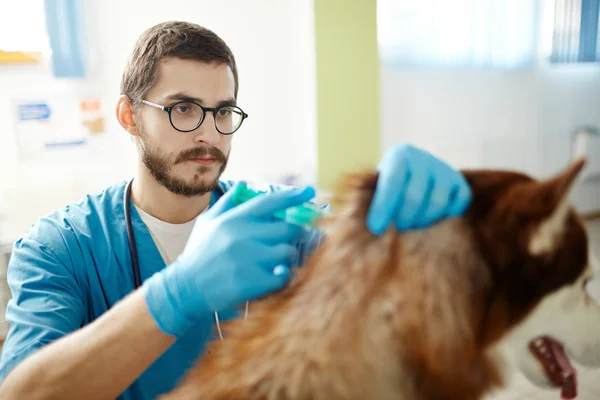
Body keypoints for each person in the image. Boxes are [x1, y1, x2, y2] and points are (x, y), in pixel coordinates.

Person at [0, 21, 471, 400]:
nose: (208, 133)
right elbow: (22, 393)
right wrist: (177, 295)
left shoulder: (283, 227)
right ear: (129, 116)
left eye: (223, 111)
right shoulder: (60, 247)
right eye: (183, 109)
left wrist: (429, 233)